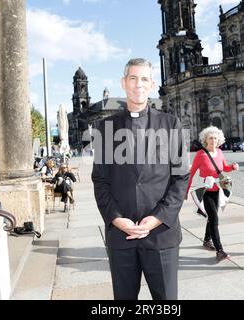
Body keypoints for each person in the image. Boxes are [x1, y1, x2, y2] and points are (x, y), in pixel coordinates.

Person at [91, 58, 189, 300]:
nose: (138, 85)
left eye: (144, 79)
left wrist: (157, 218)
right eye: (133, 78)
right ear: (123, 83)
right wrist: (115, 219)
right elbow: (100, 180)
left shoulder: (170, 123)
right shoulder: (106, 128)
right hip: (121, 235)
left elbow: (181, 178)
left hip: (161, 235)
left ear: (152, 84)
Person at [186, 126, 239, 261]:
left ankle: (206, 240)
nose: (213, 140)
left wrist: (232, 167)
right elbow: (191, 174)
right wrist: (185, 191)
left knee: (211, 218)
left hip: (218, 190)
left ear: (219, 140)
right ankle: (219, 250)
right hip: (206, 191)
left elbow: (224, 168)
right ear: (205, 139)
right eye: (210, 138)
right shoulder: (200, 154)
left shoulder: (220, 152)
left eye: (215, 138)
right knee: (214, 219)